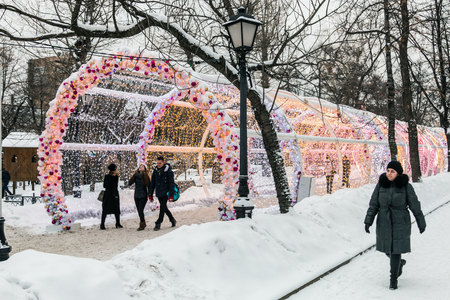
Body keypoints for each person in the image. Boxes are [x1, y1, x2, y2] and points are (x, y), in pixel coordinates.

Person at [364, 161, 426, 290]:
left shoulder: (405, 186)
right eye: (388, 171)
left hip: (400, 221)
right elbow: (374, 204)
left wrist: (421, 221)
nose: (389, 173)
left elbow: (415, 204)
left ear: (398, 173)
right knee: (387, 248)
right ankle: (399, 264)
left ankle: (393, 279)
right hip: (384, 220)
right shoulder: (381, 185)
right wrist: (368, 221)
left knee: (396, 249)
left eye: (392, 171)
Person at [149, 156, 176, 231]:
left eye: (160, 163)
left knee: (162, 208)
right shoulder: (155, 171)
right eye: (157, 163)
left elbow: (171, 183)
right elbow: (152, 183)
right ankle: (172, 219)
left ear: (163, 162)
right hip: (159, 193)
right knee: (164, 208)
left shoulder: (168, 171)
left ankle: (158, 223)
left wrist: (171, 195)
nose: (158, 164)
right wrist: (150, 194)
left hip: (165, 193)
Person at [128, 163, 151, 231]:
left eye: (142, 166)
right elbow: (130, 183)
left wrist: (150, 194)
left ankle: (142, 224)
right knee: (139, 210)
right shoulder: (135, 175)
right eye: (140, 166)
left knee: (140, 210)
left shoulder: (146, 175)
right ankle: (143, 223)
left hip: (143, 195)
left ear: (144, 168)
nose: (140, 167)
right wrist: (129, 181)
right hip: (136, 195)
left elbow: (149, 185)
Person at [101, 164, 122, 230]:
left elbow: (104, 186)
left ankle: (102, 224)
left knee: (105, 210)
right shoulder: (115, 177)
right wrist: (115, 195)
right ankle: (117, 223)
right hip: (113, 194)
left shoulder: (106, 176)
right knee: (116, 209)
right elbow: (115, 186)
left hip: (107, 194)